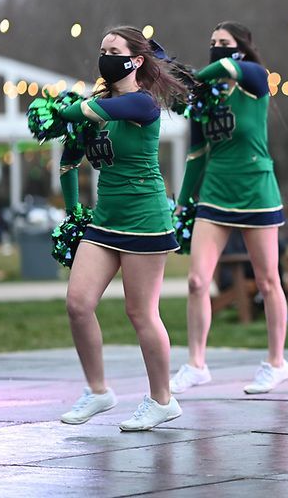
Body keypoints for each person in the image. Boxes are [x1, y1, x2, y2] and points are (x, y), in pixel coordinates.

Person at [58, 26, 185, 430]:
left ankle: (162, 399)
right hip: (105, 220)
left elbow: (81, 114)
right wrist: (73, 212)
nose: (105, 56)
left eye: (113, 50)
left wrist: (63, 109)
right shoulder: (97, 104)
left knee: (141, 313)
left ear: (136, 60)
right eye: (101, 50)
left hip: (145, 218)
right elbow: (68, 160)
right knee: (78, 304)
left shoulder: (142, 104)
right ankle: (98, 392)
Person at [169, 21, 288, 395]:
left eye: (224, 42)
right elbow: (196, 154)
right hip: (215, 193)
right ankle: (196, 363)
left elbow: (227, 68)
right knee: (196, 281)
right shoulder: (204, 99)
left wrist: (191, 81)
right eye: (212, 42)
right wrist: (183, 203)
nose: (216, 47)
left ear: (242, 47)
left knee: (268, 280)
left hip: (257, 191)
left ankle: (276, 362)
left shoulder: (255, 80)